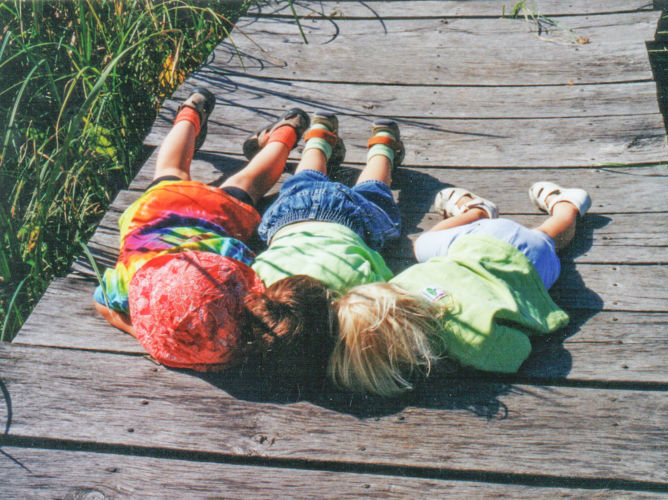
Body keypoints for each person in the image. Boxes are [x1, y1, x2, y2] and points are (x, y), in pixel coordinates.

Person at [93, 89, 335, 377]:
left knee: (248, 184)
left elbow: (99, 302)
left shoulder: (225, 257)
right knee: (173, 169)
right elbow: (103, 300)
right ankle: (192, 111)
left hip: (207, 214)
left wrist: (144, 333)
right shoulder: (133, 278)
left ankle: (286, 133)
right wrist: (143, 329)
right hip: (156, 211)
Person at [330, 182, 592, 396]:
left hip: (526, 260)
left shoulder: (470, 342)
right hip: (475, 242)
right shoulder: (399, 286)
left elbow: (518, 349)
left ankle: (567, 208)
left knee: (550, 237)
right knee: (423, 245)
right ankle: (477, 211)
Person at [250, 111, 404, 295]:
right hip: (290, 217)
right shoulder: (264, 288)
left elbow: (379, 266)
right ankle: (319, 134)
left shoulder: (354, 287)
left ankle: (383, 144)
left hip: (349, 222)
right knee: (304, 178)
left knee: (372, 192)